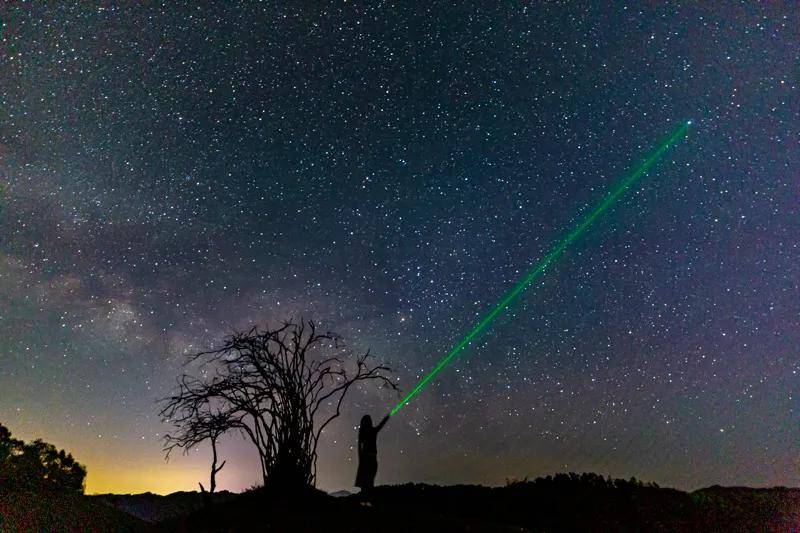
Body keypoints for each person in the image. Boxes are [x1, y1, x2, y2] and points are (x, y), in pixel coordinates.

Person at [355, 413, 389, 493]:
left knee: (367, 482)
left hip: (368, 459)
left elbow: (359, 447)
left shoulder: (366, 432)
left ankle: (365, 501)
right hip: (369, 459)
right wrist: (387, 417)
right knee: (369, 481)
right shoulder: (371, 431)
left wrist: (361, 459)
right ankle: (366, 501)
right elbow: (381, 425)